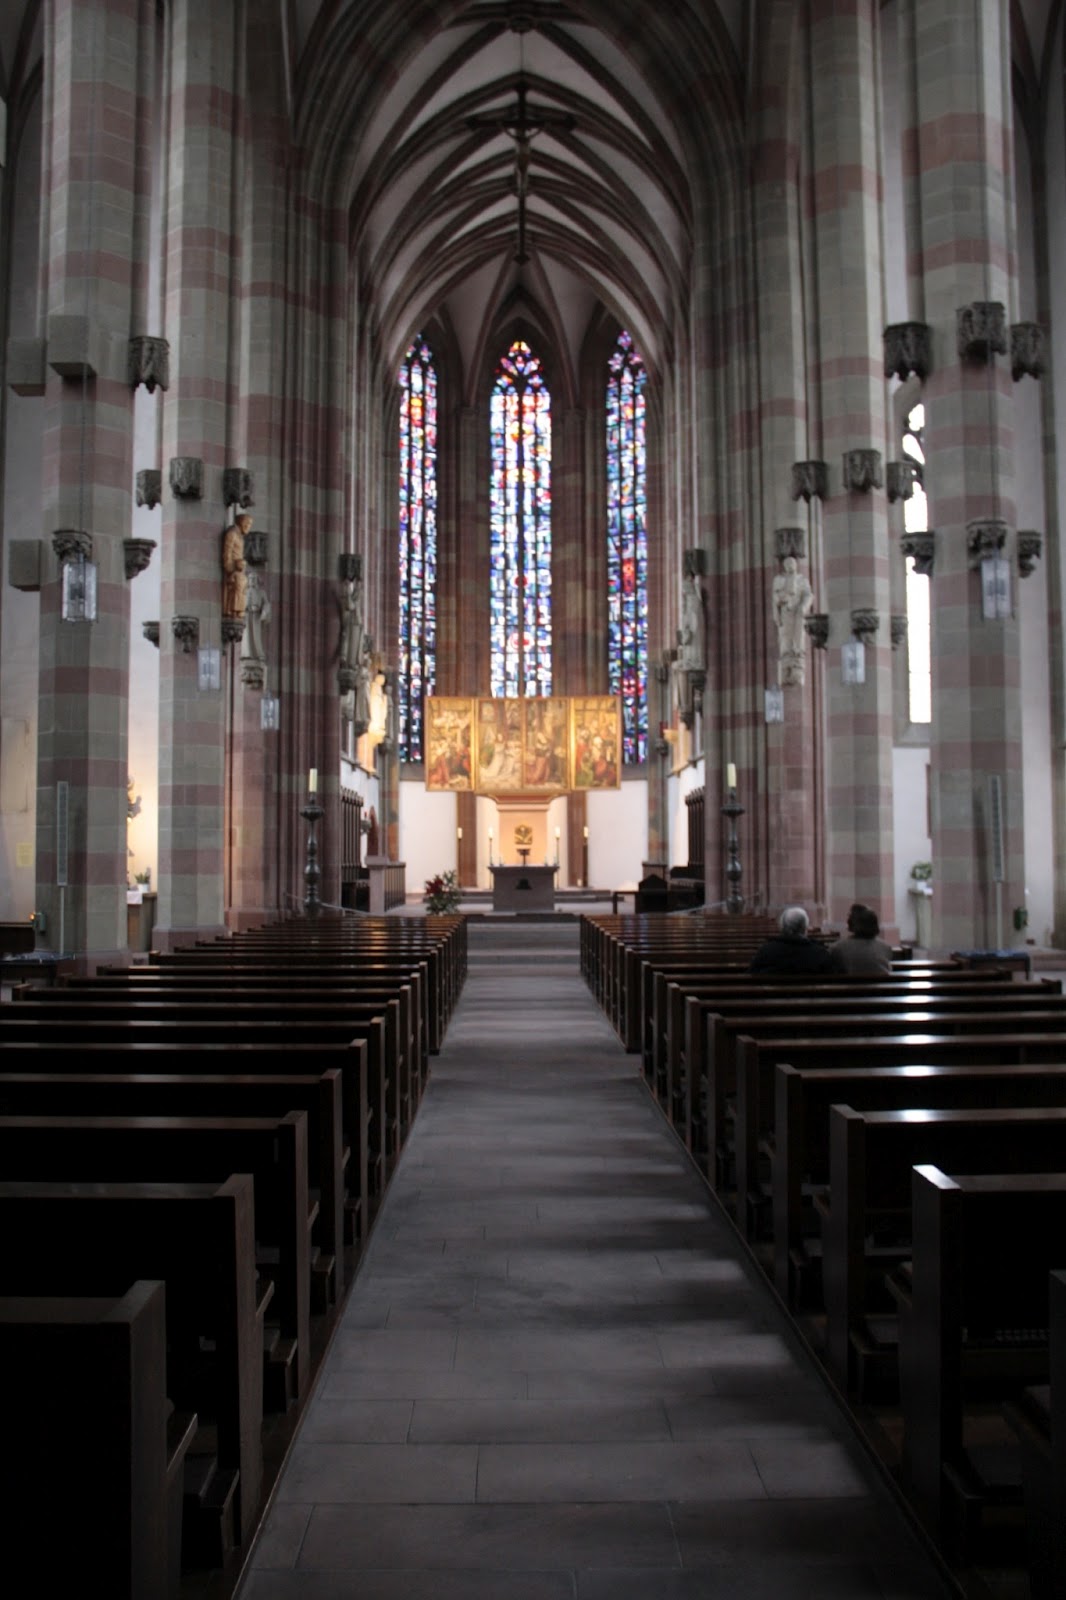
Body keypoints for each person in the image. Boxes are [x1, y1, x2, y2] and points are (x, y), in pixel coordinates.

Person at [749, 905, 834, 974]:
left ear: (782, 927)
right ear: (805, 928)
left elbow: (751, 975)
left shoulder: (766, 951)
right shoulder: (819, 953)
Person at [772, 555, 814, 685]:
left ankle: (797, 661)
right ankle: (787, 662)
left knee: (799, 637)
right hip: (785, 612)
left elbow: (809, 595)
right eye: (788, 564)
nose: (790, 566)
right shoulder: (779, 579)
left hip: (798, 613)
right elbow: (775, 597)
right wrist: (781, 601)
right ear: (784, 566)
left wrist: (803, 606)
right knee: (785, 637)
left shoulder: (802, 580)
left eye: (792, 564)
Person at [829, 902, 893, 976]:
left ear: (851, 924)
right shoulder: (885, 947)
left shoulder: (838, 947)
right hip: (883, 986)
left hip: (851, 986)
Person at [222, 512, 251, 618]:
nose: (248, 527)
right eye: (247, 524)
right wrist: (231, 567)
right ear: (241, 522)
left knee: (243, 584)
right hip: (233, 570)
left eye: (250, 525)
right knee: (239, 583)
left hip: (238, 568)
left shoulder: (239, 535)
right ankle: (234, 610)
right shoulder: (232, 533)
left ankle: (237, 611)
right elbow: (227, 552)